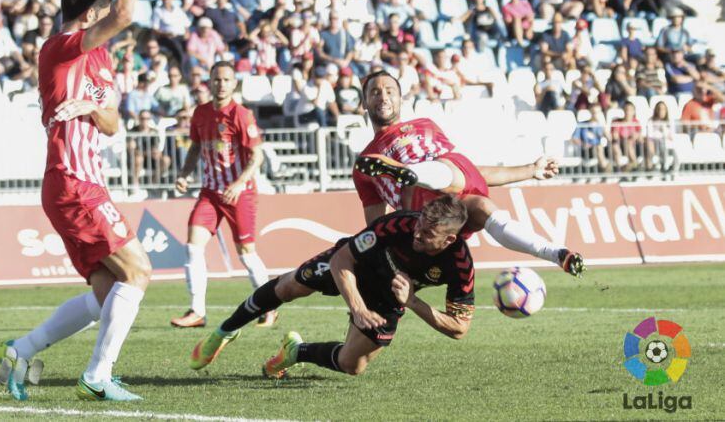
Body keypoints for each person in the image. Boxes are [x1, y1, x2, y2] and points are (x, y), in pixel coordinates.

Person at [0, 0, 152, 402]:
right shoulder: (59, 48)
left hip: (84, 182)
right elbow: (125, 14)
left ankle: (21, 350)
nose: (111, 22)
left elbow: (113, 123)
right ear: (91, 15)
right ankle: (98, 376)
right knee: (138, 271)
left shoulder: (99, 59)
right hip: (72, 179)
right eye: (104, 15)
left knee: (108, 294)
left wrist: (92, 107)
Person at [189, 196, 477, 378]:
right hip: (358, 265)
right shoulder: (399, 224)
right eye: (419, 225)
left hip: (389, 296)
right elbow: (342, 258)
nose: (417, 234)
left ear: (449, 240)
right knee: (290, 286)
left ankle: (296, 352)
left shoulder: (460, 265)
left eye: (427, 233)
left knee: (352, 365)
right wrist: (358, 308)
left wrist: (412, 301)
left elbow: (459, 328)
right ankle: (225, 331)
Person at [352, 70, 586, 276]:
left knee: (482, 205)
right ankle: (410, 175)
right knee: (435, 175)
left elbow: (472, 173)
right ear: (364, 103)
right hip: (421, 214)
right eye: (375, 92)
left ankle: (556, 253)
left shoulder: (425, 125)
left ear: (400, 98)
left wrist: (531, 170)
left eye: (390, 91)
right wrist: (383, 263)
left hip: (450, 190)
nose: (383, 97)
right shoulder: (366, 162)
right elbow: (377, 224)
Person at [170, 61, 276, 329]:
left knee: (246, 253)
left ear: (234, 83)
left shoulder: (241, 114)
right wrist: (184, 173)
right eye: (217, 79)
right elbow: (195, 147)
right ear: (210, 82)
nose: (221, 84)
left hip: (239, 194)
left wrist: (239, 183)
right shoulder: (201, 113)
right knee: (192, 246)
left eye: (226, 80)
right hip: (210, 193)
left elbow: (257, 156)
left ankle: (270, 307)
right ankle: (197, 311)